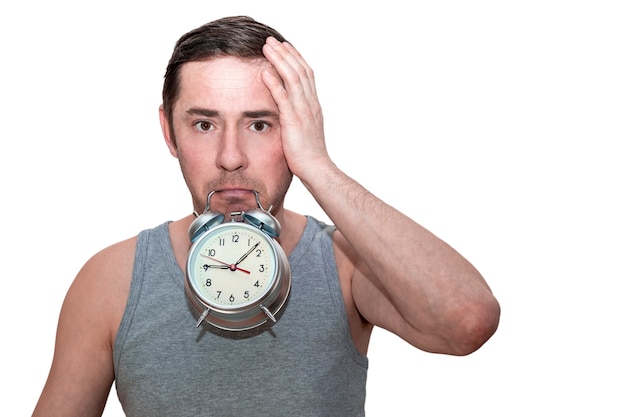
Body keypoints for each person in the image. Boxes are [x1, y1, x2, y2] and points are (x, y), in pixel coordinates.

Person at [32, 15, 500, 417]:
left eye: (260, 124)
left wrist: (317, 165)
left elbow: (468, 322)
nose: (231, 157)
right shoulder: (110, 280)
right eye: (204, 124)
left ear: (296, 128)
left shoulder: (345, 264)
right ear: (169, 133)